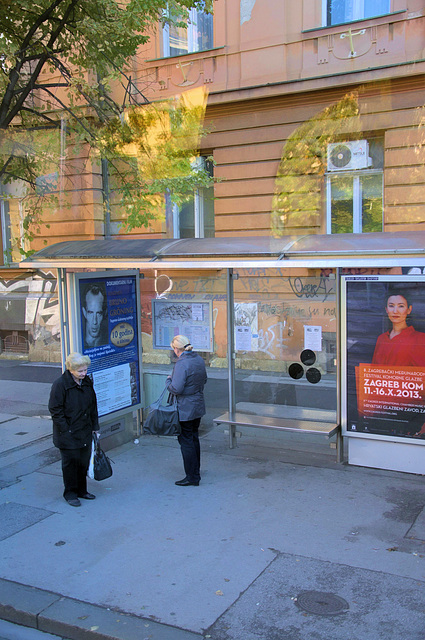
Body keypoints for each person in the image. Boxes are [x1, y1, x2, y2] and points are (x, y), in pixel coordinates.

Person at [49, 352, 100, 506]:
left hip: (84, 429)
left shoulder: (86, 382)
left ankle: (82, 490)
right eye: (80, 371)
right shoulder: (60, 385)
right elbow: (55, 410)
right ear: (71, 370)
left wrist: (94, 426)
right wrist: (66, 429)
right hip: (68, 433)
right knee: (70, 463)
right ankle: (70, 493)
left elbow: (93, 405)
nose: (84, 373)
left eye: (85, 370)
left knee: (83, 462)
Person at [166, 335, 207, 487]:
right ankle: (196, 471)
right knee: (194, 438)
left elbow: (176, 388)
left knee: (186, 441)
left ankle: (192, 476)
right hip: (197, 404)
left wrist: (168, 381)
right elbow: (204, 380)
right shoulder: (199, 359)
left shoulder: (182, 363)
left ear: (177, 349)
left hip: (185, 408)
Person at [372, 288, 425, 366]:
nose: (395, 311)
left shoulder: (420, 338)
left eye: (401, 306)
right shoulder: (381, 338)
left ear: (409, 310)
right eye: (391, 306)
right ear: (386, 309)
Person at [81, 283, 108, 349]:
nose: (94, 321)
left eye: (99, 313)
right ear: (84, 312)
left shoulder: (108, 342)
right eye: (90, 313)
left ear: (104, 313)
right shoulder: (78, 341)